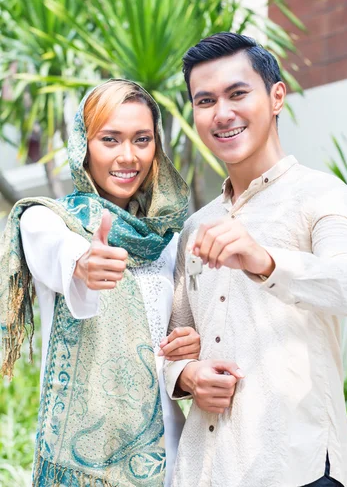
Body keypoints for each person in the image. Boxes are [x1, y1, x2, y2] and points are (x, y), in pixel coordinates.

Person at [161, 33, 347, 487]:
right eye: (205, 101)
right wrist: (188, 375)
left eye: (238, 93)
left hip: (296, 467)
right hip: (206, 469)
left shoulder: (322, 195)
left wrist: (264, 261)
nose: (222, 113)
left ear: (276, 95)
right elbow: (176, 344)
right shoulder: (196, 227)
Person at [0, 79, 200, 487]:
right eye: (110, 139)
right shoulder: (50, 220)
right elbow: (54, 250)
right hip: (80, 468)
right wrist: (83, 263)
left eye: (142, 139)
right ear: (84, 145)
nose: (128, 156)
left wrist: (189, 350)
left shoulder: (169, 244)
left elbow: (181, 346)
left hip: (170, 459)